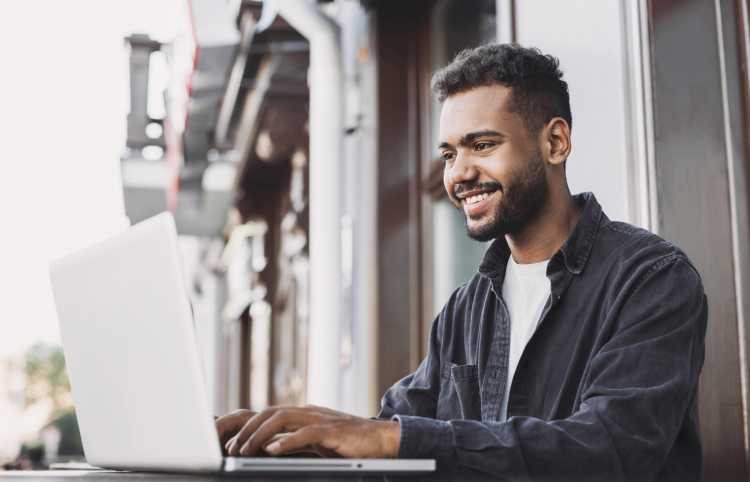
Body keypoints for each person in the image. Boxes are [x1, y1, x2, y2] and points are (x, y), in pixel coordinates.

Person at [215, 44, 707, 481]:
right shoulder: (465, 309)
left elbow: (613, 449)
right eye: (449, 154)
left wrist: (391, 439)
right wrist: (277, 443)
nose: (460, 173)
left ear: (555, 142)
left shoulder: (650, 278)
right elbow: (388, 437)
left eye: (483, 145)